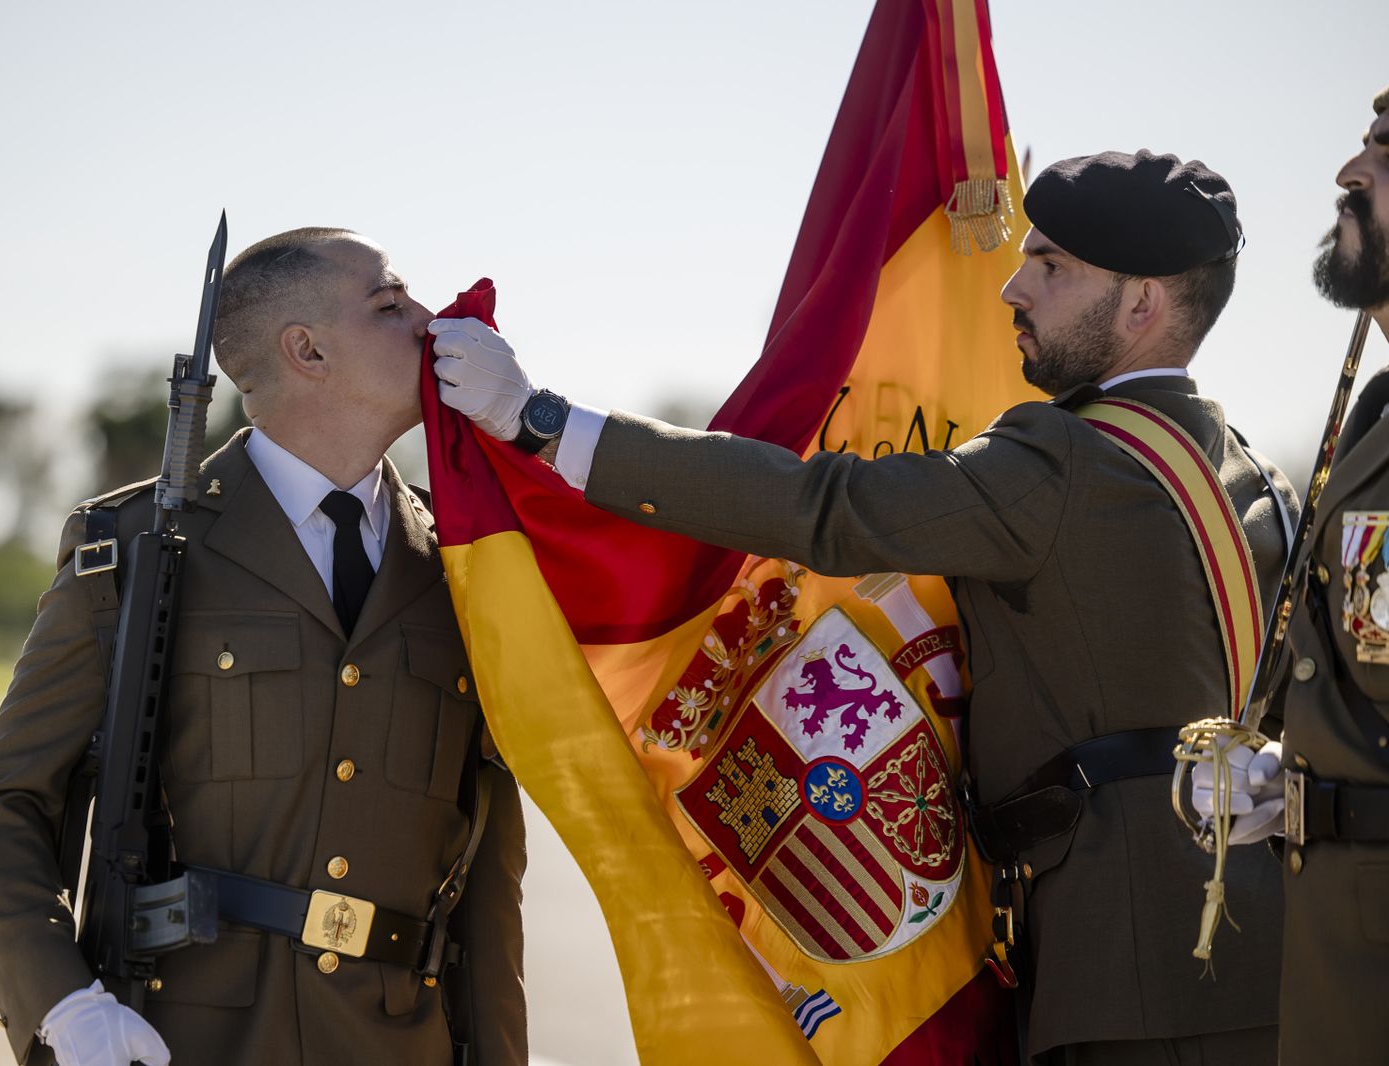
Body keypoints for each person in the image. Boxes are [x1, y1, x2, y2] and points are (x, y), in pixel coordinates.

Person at [432, 152, 1291, 1064]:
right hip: (1257, 947)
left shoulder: (1068, 460)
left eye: (1051, 267)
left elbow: (827, 509)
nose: (1011, 289)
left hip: (1121, 977)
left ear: (1142, 304)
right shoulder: (1254, 479)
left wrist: (544, 422)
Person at [0, 228, 527, 1066]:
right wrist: (64, 1005)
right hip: (192, 1039)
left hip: (399, 1040)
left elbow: (485, 871)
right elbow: (5, 806)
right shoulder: (134, 551)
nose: (430, 320)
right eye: (389, 302)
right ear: (307, 350)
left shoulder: (462, 570)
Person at [1202, 85, 1389, 1064]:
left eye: (1385, 155)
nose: (1348, 174)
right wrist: (1296, 775)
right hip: (1340, 955)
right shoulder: (1372, 419)